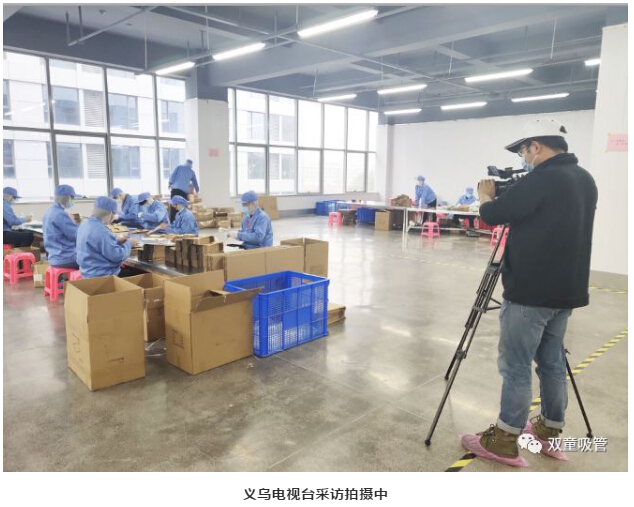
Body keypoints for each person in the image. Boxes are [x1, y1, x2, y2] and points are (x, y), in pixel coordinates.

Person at [461, 118, 598, 467]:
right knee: (552, 364)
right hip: (566, 291)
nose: (523, 158)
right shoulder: (585, 179)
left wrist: (485, 196)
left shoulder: (541, 179)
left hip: (530, 293)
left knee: (516, 365)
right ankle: (549, 432)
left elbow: (494, 214)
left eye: (523, 151)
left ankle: (504, 440)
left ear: (535, 146)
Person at [76, 196, 139, 278]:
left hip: (87, 272)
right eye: (114, 215)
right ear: (110, 214)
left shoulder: (84, 225)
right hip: (103, 275)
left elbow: (97, 246)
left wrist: (116, 241)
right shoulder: (101, 231)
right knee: (140, 273)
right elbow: (117, 256)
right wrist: (129, 243)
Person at [42, 184, 80, 269]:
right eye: (72, 198)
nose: (73, 200)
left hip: (54, 257)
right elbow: (76, 235)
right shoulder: (60, 214)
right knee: (97, 259)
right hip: (67, 258)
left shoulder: (49, 212)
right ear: (67, 198)